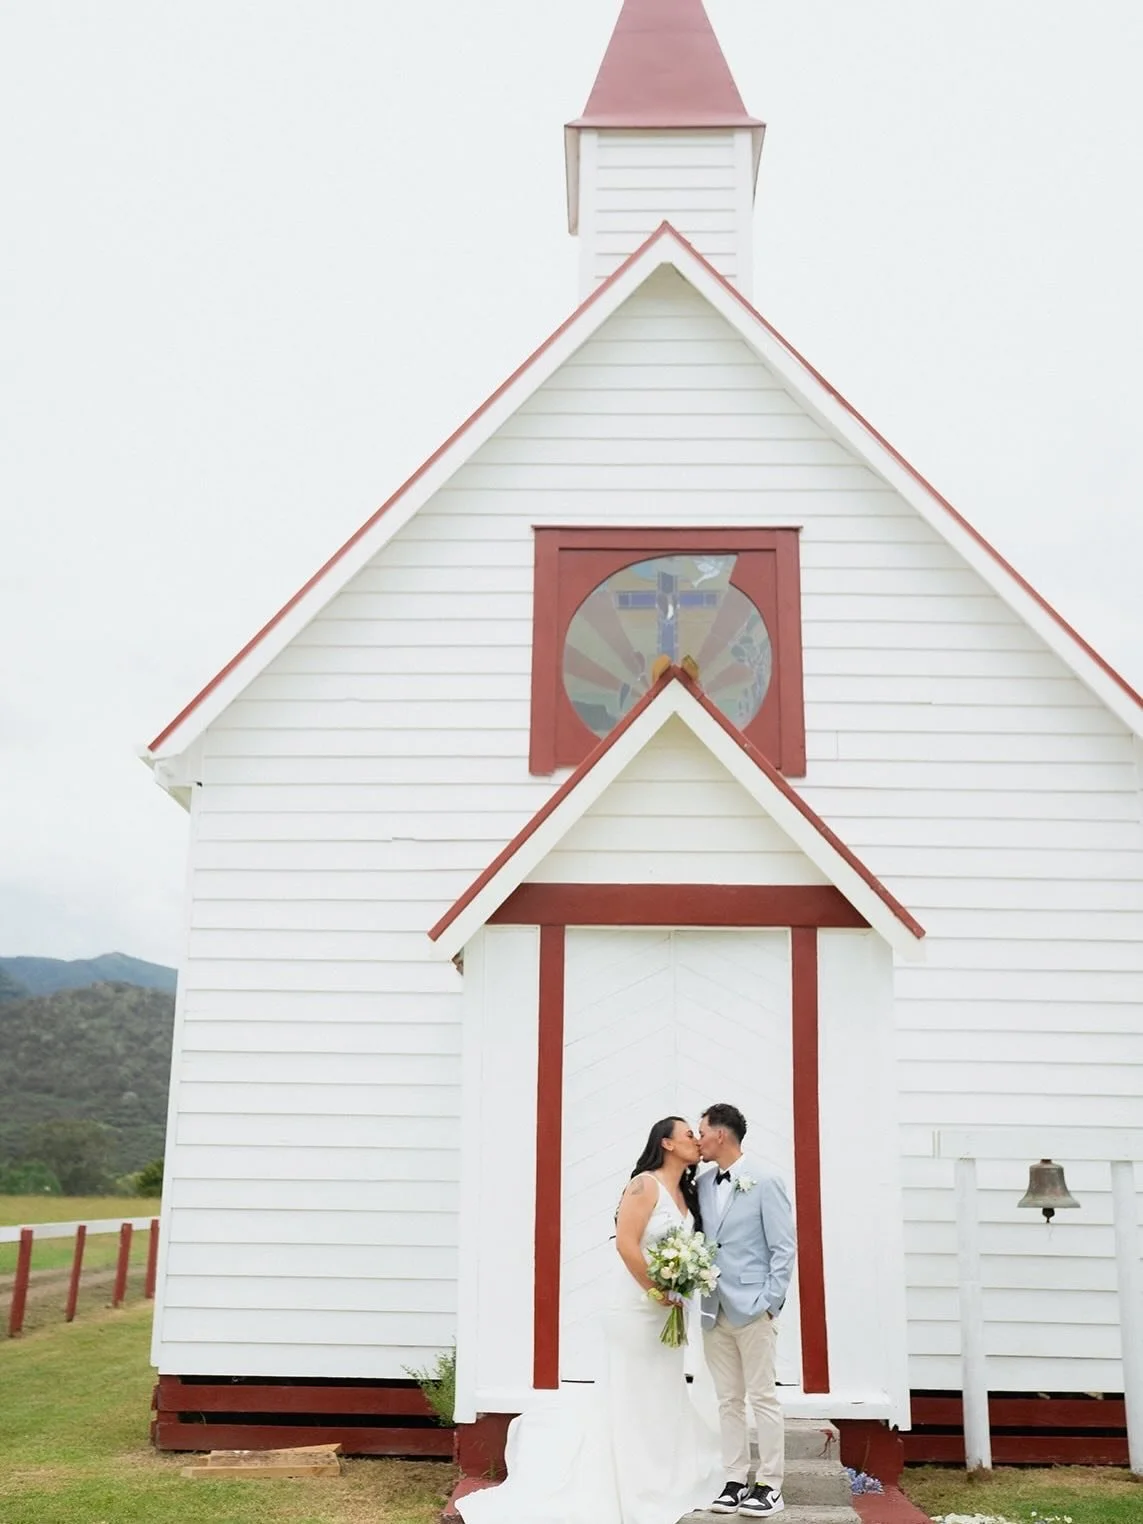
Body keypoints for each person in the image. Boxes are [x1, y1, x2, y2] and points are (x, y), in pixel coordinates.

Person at [457, 1116, 722, 1524]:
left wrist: (680, 1287)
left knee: (661, 1391)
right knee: (633, 1392)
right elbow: (626, 1242)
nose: (695, 1140)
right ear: (666, 1144)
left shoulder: (686, 1192)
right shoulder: (644, 1184)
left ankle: (663, 1476)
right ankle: (628, 1483)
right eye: (688, 1134)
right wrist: (655, 1288)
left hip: (669, 1309)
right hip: (636, 1308)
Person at [697, 1103, 797, 1519]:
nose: (697, 1139)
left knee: (763, 1397)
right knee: (727, 1400)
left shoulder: (767, 1179)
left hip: (753, 1309)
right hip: (712, 1308)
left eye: (701, 1131)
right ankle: (735, 1479)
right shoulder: (701, 1183)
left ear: (721, 1134)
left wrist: (770, 1304)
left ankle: (770, 1485)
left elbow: (783, 1247)